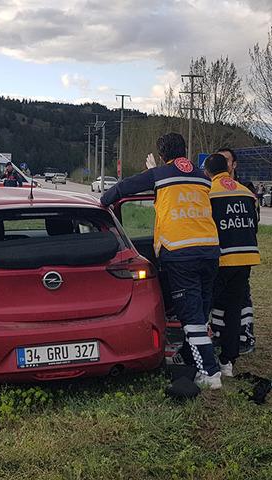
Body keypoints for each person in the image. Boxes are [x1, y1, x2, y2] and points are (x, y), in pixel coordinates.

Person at [101, 132, 222, 390]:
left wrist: (102, 202)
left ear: (162, 155)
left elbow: (123, 188)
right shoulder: (203, 177)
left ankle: (209, 373)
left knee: (191, 316)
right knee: (201, 311)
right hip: (210, 251)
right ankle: (189, 357)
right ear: (184, 150)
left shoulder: (159, 175)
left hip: (180, 252)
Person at [204, 154, 260, 377]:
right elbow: (254, 225)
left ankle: (196, 355)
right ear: (227, 169)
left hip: (221, 259)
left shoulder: (209, 192)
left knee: (204, 306)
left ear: (207, 172)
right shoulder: (246, 192)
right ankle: (228, 361)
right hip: (245, 258)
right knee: (233, 310)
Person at [216, 148, 258, 355]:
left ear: (234, 164)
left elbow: (253, 223)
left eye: (226, 160)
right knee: (222, 300)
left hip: (237, 254)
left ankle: (245, 335)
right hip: (227, 255)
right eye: (219, 160)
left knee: (241, 299)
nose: (223, 164)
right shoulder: (214, 188)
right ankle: (220, 335)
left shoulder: (245, 189)